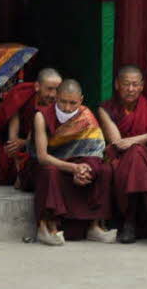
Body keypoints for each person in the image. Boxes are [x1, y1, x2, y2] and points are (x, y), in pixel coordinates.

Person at [33, 79, 114, 245]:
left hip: (77, 167)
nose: (67, 108)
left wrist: (85, 170)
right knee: (50, 171)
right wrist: (73, 168)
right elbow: (42, 157)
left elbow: (95, 151)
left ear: (81, 100)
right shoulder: (41, 116)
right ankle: (48, 226)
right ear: (56, 96)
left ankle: (95, 225)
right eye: (63, 101)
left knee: (105, 169)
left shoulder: (86, 117)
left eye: (73, 103)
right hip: (50, 165)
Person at [97, 66, 147, 244]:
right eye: (126, 84)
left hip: (145, 166)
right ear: (117, 85)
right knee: (136, 151)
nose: (130, 89)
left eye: (135, 84)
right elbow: (118, 143)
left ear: (142, 86)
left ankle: (129, 223)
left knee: (137, 153)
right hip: (118, 163)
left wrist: (146, 147)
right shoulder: (105, 109)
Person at [0, 67, 61, 187]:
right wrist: (13, 143)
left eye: (57, 90)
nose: (53, 95)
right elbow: (14, 112)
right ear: (37, 86)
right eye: (49, 89)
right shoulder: (22, 92)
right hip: (9, 139)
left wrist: (23, 143)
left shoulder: (62, 104)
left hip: (39, 147)